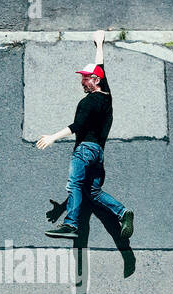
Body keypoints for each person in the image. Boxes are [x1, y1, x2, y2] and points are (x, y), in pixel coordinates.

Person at [36, 30, 134, 242]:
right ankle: (123, 213)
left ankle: (71, 225)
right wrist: (99, 44)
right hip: (98, 153)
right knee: (94, 191)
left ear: (95, 80)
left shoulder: (87, 102)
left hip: (84, 150)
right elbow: (101, 67)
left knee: (74, 185)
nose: (82, 81)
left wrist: (53, 137)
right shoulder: (106, 96)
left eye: (85, 78)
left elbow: (77, 127)